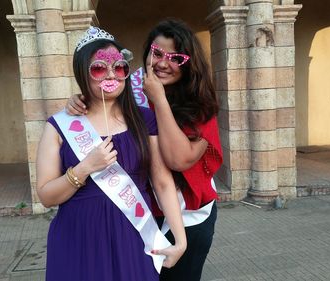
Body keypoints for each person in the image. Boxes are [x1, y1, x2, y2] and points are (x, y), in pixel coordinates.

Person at [67, 19, 223, 281]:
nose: (163, 63)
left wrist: (159, 99)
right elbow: (102, 104)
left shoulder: (201, 105)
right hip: (139, 214)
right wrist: (79, 100)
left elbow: (178, 160)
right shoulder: (131, 88)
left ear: (189, 62)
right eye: (158, 53)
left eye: (176, 57)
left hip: (188, 218)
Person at [36, 26, 186, 281]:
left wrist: (180, 240)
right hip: (78, 240)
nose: (111, 75)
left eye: (119, 67)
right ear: (83, 73)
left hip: (132, 236)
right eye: (99, 68)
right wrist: (84, 168)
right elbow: (46, 196)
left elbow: (162, 181)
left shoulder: (144, 119)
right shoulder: (59, 126)